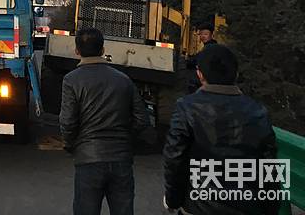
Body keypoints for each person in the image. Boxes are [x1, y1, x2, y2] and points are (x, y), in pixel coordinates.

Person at [163, 44, 278, 214]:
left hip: (199, 207)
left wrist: (173, 200)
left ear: (200, 74)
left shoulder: (187, 107)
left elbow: (175, 159)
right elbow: (269, 169)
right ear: (236, 74)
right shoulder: (258, 112)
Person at [59, 28, 150, 215]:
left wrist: (71, 145)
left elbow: (68, 122)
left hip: (88, 159)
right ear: (102, 50)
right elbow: (142, 119)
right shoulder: (123, 80)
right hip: (121, 159)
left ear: (77, 51)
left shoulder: (71, 80)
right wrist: (125, 140)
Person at [187, 22, 218, 93]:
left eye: (206, 34)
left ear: (212, 35)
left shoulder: (210, 48)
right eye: (201, 34)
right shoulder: (207, 47)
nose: (203, 36)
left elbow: (199, 59)